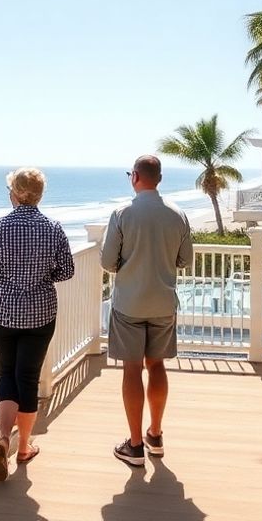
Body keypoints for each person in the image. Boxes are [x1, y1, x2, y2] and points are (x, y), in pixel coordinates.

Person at [0, 167, 75, 482]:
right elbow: (67, 271)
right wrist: (42, 276)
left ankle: (4, 437)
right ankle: (24, 448)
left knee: (7, 373)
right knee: (27, 379)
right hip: (40, 314)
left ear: (16, 194)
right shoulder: (53, 228)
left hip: (3, 313)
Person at [100, 154, 192, 467]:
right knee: (156, 366)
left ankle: (135, 445)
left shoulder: (122, 213)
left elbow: (107, 262)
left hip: (129, 304)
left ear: (136, 177)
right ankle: (155, 434)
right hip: (163, 303)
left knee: (131, 369)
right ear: (160, 179)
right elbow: (185, 259)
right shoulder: (177, 214)